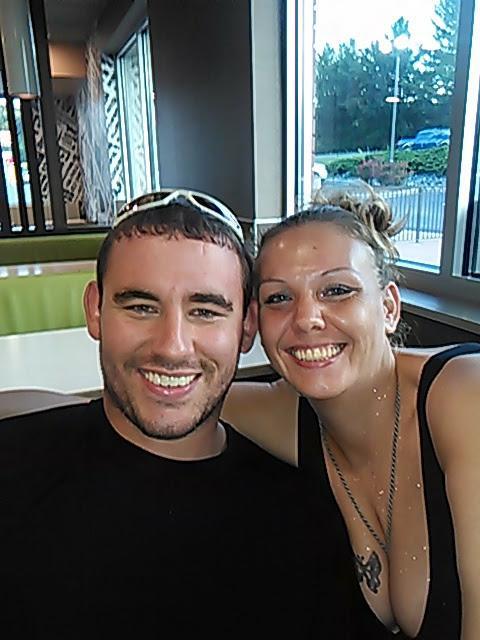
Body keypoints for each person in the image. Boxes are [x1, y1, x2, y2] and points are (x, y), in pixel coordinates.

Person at [0, 189, 375, 639]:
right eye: (141, 307)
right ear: (95, 310)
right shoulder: (13, 466)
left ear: (247, 327)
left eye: (205, 311)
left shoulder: (305, 520)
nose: (172, 346)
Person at [223, 185, 480, 640]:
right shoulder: (285, 413)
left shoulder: (464, 396)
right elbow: (175, 401)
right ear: (254, 323)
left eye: (337, 290)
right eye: (279, 298)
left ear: (388, 307)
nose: (306, 318)